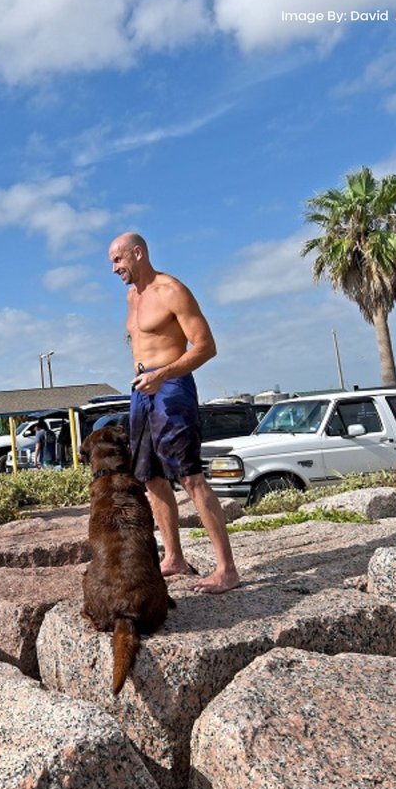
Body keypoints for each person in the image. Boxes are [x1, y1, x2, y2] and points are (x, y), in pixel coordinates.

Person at [109, 231, 240, 594]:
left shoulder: (172, 290)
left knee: (189, 476)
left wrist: (162, 374)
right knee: (150, 476)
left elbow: (206, 346)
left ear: (138, 253)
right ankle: (175, 558)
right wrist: (144, 377)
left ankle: (227, 569)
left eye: (118, 260)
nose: (115, 268)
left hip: (172, 386)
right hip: (141, 390)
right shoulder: (131, 296)